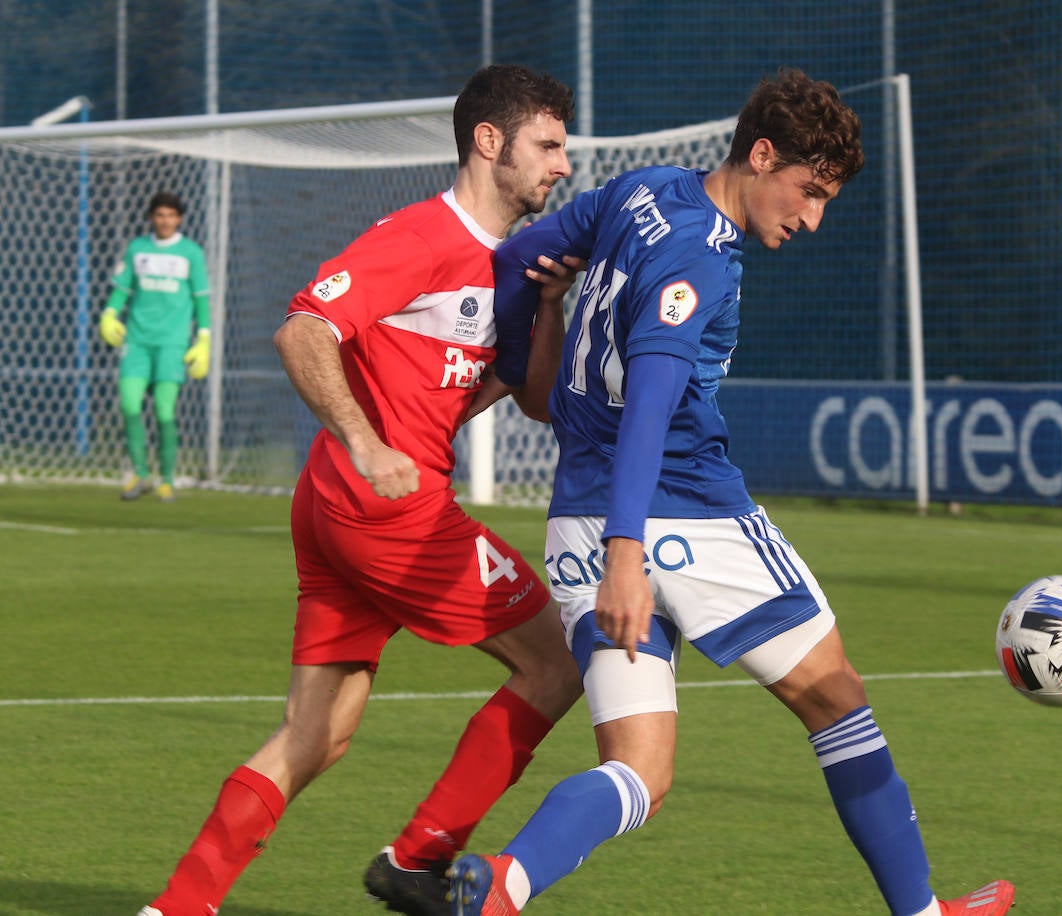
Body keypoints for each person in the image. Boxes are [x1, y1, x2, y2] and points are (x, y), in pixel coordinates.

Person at [448, 68, 1016, 915]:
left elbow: (522, 257)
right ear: (760, 154)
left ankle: (502, 883)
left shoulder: (639, 192)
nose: (813, 216)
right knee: (836, 696)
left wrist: (530, 367)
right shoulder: (702, 262)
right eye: (808, 190)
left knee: (640, 771)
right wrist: (629, 554)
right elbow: (650, 401)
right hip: (678, 517)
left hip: (574, 519)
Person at [137, 64, 586, 916]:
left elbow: (529, 396)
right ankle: (420, 858)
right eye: (549, 145)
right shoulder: (421, 238)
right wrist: (368, 441)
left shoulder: (514, 265)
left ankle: (179, 907)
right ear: (489, 143)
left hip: (340, 509)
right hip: (386, 510)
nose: (562, 165)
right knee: (560, 660)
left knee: (318, 735)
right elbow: (303, 328)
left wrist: (553, 305)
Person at [99, 191, 212, 503]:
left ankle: (166, 480)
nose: (165, 221)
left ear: (179, 219)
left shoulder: (191, 253)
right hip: (136, 342)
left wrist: (204, 338)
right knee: (130, 406)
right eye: (160, 215)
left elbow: (201, 299)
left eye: (171, 215)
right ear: (152, 217)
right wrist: (109, 313)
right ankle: (139, 473)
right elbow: (121, 290)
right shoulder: (137, 249)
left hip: (172, 344)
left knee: (164, 413)